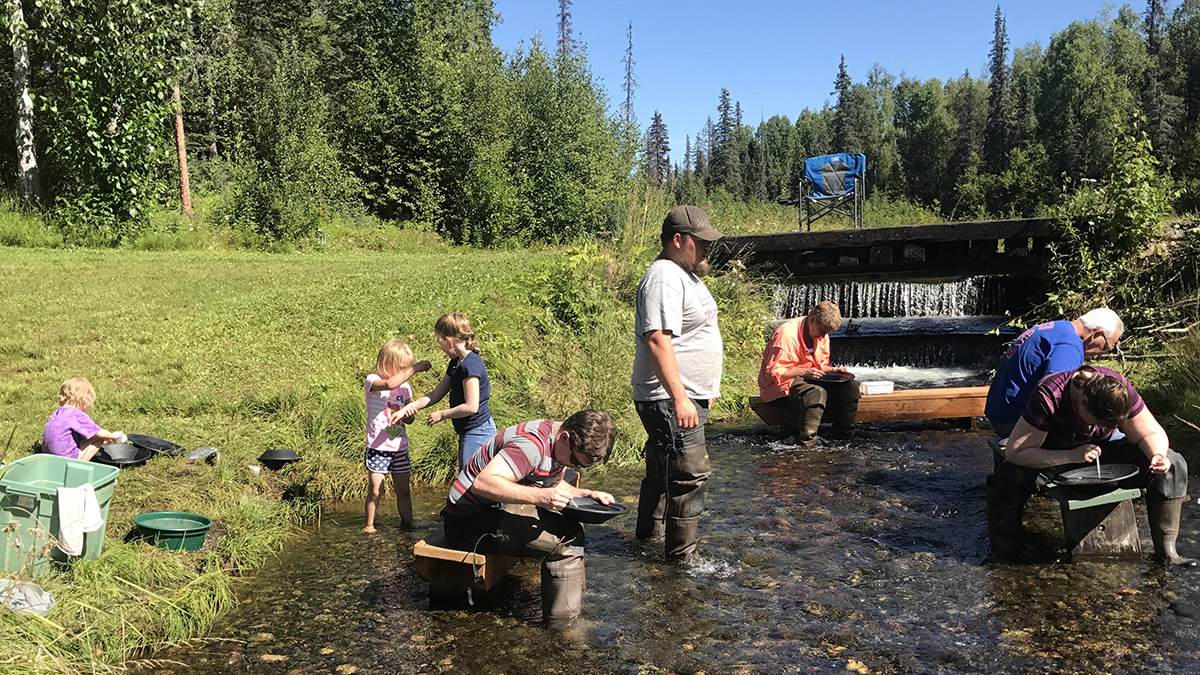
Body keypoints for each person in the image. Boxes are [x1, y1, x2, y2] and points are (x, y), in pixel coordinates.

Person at [986, 365, 1194, 566]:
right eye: (1099, 422)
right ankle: (1007, 554)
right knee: (1008, 477)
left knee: (1173, 463)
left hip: (1102, 452)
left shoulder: (1117, 390)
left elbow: (1150, 433)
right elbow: (1016, 452)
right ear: (1082, 402)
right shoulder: (1050, 395)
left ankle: (1167, 552)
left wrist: (1157, 455)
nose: (1100, 427)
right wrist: (1070, 456)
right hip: (1052, 456)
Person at [440, 409, 617, 624]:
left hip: (493, 510)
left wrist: (587, 494)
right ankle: (563, 629)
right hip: (468, 522)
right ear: (565, 437)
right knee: (564, 542)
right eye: (575, 462)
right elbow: (483, 483)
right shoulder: (530, 446)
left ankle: (574, 599)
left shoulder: (556, 441)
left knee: (573, 524)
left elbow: (551, 483)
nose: (574, 467)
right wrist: (541, 497)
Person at [632, 205, 723, 561]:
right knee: (689, 477)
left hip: (681, 397)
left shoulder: (684, 274)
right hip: (669, 399)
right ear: (677, 240)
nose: (707, 250)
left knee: (661, 474)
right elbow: (657, 339)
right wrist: (682, 398)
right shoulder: (664, 277)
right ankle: (682, 562)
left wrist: (703, 393)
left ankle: (647, 546)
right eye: (701, 243)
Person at [985, 308, 1123, 442]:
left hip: (1000, 412)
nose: (1100, 354)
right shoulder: (1069, 346)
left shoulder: (1057, 328)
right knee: (1116, 437)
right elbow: (1059, 396)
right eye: (1104, 347)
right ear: (1097, 334)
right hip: (1014, 422)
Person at [396, 312, 497, 471]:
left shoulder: (470, 365)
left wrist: (442, 414)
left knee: (469, 484)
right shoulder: (456, 363)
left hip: (479, 432)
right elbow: (436, 394)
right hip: (469, 431)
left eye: (440, 343)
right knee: (468, 483)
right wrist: (409, 408)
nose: (440, 348)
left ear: (449, 341)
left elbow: (472, 407)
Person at [757, 300, 859, 445]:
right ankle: (806, 443)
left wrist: (833, 372)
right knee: (816, 393)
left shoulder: (821, 334)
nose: (824, 336)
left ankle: (843, 439)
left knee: (851, 386)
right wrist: (803, 372)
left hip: (807, 382)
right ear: (812, 319)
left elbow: (820, 366)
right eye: (822, 331)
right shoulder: (785, 335)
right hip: (780, 389)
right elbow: (774, 372)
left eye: (827, 332)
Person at [364, 340, 431, 533]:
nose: (406, 372)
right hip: (378, 448)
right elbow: (390, 383)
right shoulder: (373, 381)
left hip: (399, 447)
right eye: (402, 368)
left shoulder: (405, 389)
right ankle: (369, 525)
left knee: (403, 490)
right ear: (387, 363)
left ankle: (407, 526)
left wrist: (409, 415)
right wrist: (415, 368)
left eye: (407, 368)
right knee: (376, 490)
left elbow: (408, 421)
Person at [42, 377, 124, 461]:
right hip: (65, 460)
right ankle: (79, 465)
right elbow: (99, 433)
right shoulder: (76, 415)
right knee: (99, 439)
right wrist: (113, 435)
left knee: (91, 437)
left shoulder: (58, 412)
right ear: (83, 399)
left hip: (49, 457)